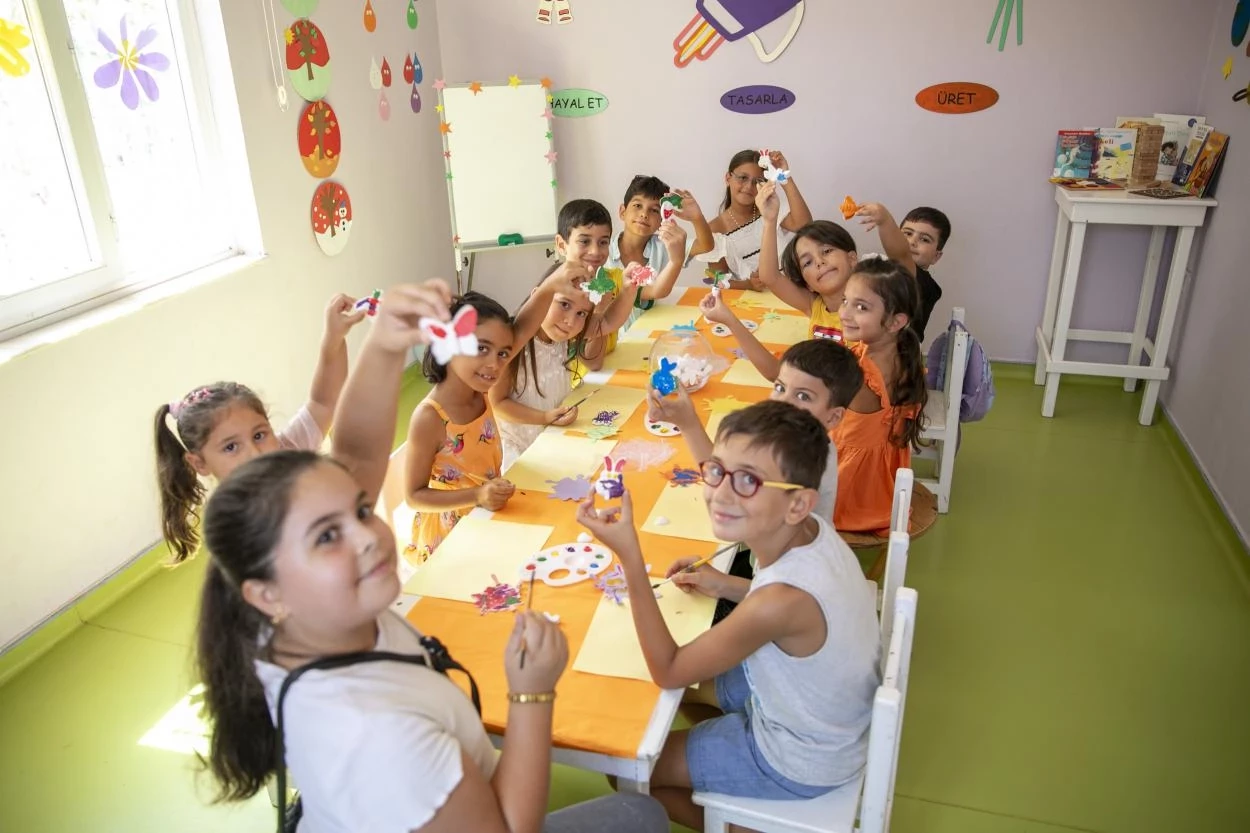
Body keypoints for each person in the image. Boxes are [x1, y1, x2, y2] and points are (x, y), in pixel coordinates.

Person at [195, 279, 669, 833]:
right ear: (267, 594)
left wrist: (384, 342)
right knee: (640, 813)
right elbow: (509, 828)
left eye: (361, 511)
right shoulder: (373, 731)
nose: (366, 538)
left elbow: (357, 452)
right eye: (325, 538)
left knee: (638, 811)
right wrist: (532, 692)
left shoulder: (314, 621)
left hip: (452, 775)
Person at [576, 400, 880, 830]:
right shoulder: (812, 532)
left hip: (803, 757)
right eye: (717, 471)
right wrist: (724, 584)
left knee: (626, 769)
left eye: (748, 481)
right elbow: (790, 609)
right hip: (829, 720)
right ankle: (723, 768)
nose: (720, 493)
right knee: (685, 697)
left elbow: (669, 669)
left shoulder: (778, 602)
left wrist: (630, 556)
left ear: (797, 504)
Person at [154, 293, 365, 563]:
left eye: (259, 435)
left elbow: (324, 402)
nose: (255, 452)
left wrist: (333, 339)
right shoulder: (232, 524)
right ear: (199, 463)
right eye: (231, 447)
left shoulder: (287, 452)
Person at [405, 273, 578, 563]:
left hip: (491, 515)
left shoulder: (479, 388)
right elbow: (414, 496)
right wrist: (477, 495)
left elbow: (523, 327)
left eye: (503, 354)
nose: (494, 364)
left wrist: (554, 283)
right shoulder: (429, 417)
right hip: (451, 540)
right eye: (481, 348)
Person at [834, 256, 928, 535]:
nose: (844, 313)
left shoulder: (861, 374)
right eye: (845, 300)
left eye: (861, 307)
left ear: (896, 321)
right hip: (883, 483)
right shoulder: (902, 354)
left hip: (848, 491)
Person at [608, 174, 714, 328]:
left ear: (663, 219)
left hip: (650, 332)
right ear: (622, 212)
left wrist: (697, 218)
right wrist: (676, 261)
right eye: (637, 205)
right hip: (612, 337)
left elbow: (706, 245)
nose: (644, 214)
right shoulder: (602, 253)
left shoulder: (664, 246)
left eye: (654, 210)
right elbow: (656, 291)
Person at [755, 182, 856, 343]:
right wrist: (769, 221)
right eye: (807, 263)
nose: (819, 262)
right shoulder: (813, 306)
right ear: (808, 284)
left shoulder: (874, 302)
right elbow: (770, 277)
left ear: (852, 259)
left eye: (826, 251)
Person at [703, 149, 812, 291]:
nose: (749, 186)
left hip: (795, 289)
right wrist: (749, 284)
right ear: (728, 178)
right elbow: (717, 280)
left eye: (757, 181)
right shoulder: (714, 230)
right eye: (743, 178)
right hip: (755, 300)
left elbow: (804, 225)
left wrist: (784, 175)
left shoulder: (771, 208)